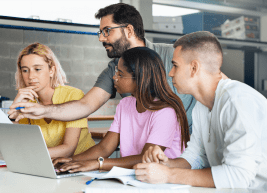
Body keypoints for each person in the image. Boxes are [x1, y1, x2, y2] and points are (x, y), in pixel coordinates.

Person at [134, 31, 267, 192]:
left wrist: (168, 174)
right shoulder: (202, 106)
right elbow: (197, 157)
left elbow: (238, 176)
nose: (170, 73)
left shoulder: (236, 100)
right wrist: (166, 164)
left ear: (194, 68)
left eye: (175, 65)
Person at [8, 3, 196, 134]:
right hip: (146, 153)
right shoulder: (114, 69)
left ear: (129, 30)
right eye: (100, 32)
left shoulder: (173, 56)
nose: (101, 38)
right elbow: (85, 105)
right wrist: (42, 110)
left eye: (107, 31)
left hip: (189, 149)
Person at [52, 47, 190, 172]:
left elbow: (146, 158)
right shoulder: (125, 104)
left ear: (140, 78)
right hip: (135, 176)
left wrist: (98, 164)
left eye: (120, 74)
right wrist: (72, 160)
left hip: (165, 181)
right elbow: (104, 148)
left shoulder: (165, 112)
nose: (114, 77)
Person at [9, 43, 95, 158]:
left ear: (51, 70)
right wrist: (14, 113)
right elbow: (17, 144)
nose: (30, 76)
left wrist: (29, 154)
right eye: (25, 70)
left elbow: (68, 149)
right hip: (51, 164)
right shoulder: (28, 102)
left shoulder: (73, 95)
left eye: (37, 69)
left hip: (83, 164)